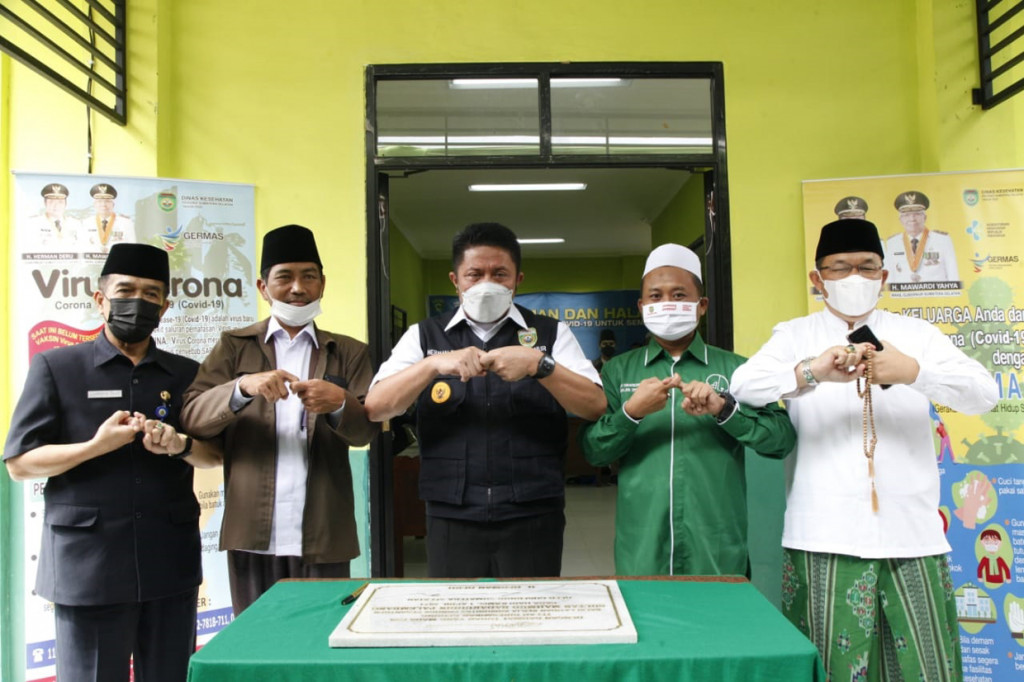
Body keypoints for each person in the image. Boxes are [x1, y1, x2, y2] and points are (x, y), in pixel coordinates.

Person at [730, 218, 997, 681]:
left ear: (884, 277)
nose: (854, 277)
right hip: (822, 536)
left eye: (867, 267)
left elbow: (983, 394)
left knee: (926, 669)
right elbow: (744, 387)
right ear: (818, 280)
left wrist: (913, 371)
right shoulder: (796, 335)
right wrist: (811, 373)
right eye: (840, 268)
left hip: (912, 536)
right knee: (832, 671)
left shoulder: (918, 336)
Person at [3, 243, 221, 682]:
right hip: (89, 567)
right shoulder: (56, 366)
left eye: (151, 294)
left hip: (169, 562)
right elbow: (20, 462)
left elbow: (214, 455)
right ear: (100, 298)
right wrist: (94, 447)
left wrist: (178, 444)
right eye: (125, 290)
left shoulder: (187, 374)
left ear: (165, 306)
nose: (137, 302)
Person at [365, 222, 606, 578]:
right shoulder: (424, 335)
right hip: (451, 511)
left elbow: (594, 405)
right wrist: (432, 365)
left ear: (518, 279)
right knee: (458, 623)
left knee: (532, 619)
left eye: (500, 274)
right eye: (475, 274)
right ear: (456, 280)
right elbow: (376, 407)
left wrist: (540, 365)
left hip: (533, 509)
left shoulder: (551, 334)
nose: (487, 284)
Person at [180, 224, 377, 615]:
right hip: (253, 528)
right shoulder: (234, 347)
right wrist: (242, 388)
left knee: (322, 637)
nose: (298, 288)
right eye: (284, 277)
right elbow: (192, 417)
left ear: (323, 284)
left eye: (309, 276)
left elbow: (367, 430)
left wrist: (340, 402)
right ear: (262, 287)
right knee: (257, 637)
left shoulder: (349, 352)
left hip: (324, 530)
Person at [578, 244, 796, 576]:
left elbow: (780, 440)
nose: (666, 304)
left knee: (719, 623)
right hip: (643, 541)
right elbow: (593, 451)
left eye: (679, 295)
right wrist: (631, 413)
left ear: (701, 305)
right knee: (646, 621)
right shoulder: (618, 371)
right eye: (655, 296)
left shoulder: (738, 369)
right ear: (642, 306)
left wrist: (725, 410)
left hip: (716, 542)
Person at [885, 191, 959, 284]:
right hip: (903, 296)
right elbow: (890, 278)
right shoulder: (892, 243)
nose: (912, 218)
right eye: (906, 215)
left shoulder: (942, 240)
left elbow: (953, 275)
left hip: (936, 296)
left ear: (925, 217)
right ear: (901, 220)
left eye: (917, 214)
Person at [84, 183, 136, 252]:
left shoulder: (126, 223)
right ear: (94, 204)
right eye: (99, 201)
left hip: (118, 261)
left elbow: (133, 248)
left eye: (107, 201)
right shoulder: (86, 223)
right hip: (92, 261)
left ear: (113, 204)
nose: (103, 205)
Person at [28, 182, 80, 249]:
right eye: (51, 202)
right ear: (45, 203)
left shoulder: (76, 224)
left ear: (65, 204)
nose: (56, 206)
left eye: (60, 202)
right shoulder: (34, 224)